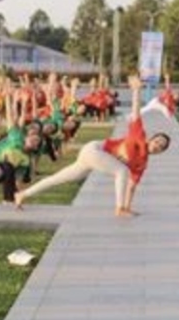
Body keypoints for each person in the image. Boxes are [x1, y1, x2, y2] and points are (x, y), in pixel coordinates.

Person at [15, 77, 170, 217]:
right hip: (94, 150)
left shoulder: (142, 163)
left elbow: (131, 186)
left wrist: (129, 206)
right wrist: (136, 90)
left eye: (161, 147)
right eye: (157, 141)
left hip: (91, 160)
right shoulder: (139, 137)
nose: (157, 146)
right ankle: (119, 209)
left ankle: (22, 195)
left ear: (160, 152)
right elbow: (136, 113)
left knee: (58, 178)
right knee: (121, 170)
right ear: (151, 139)